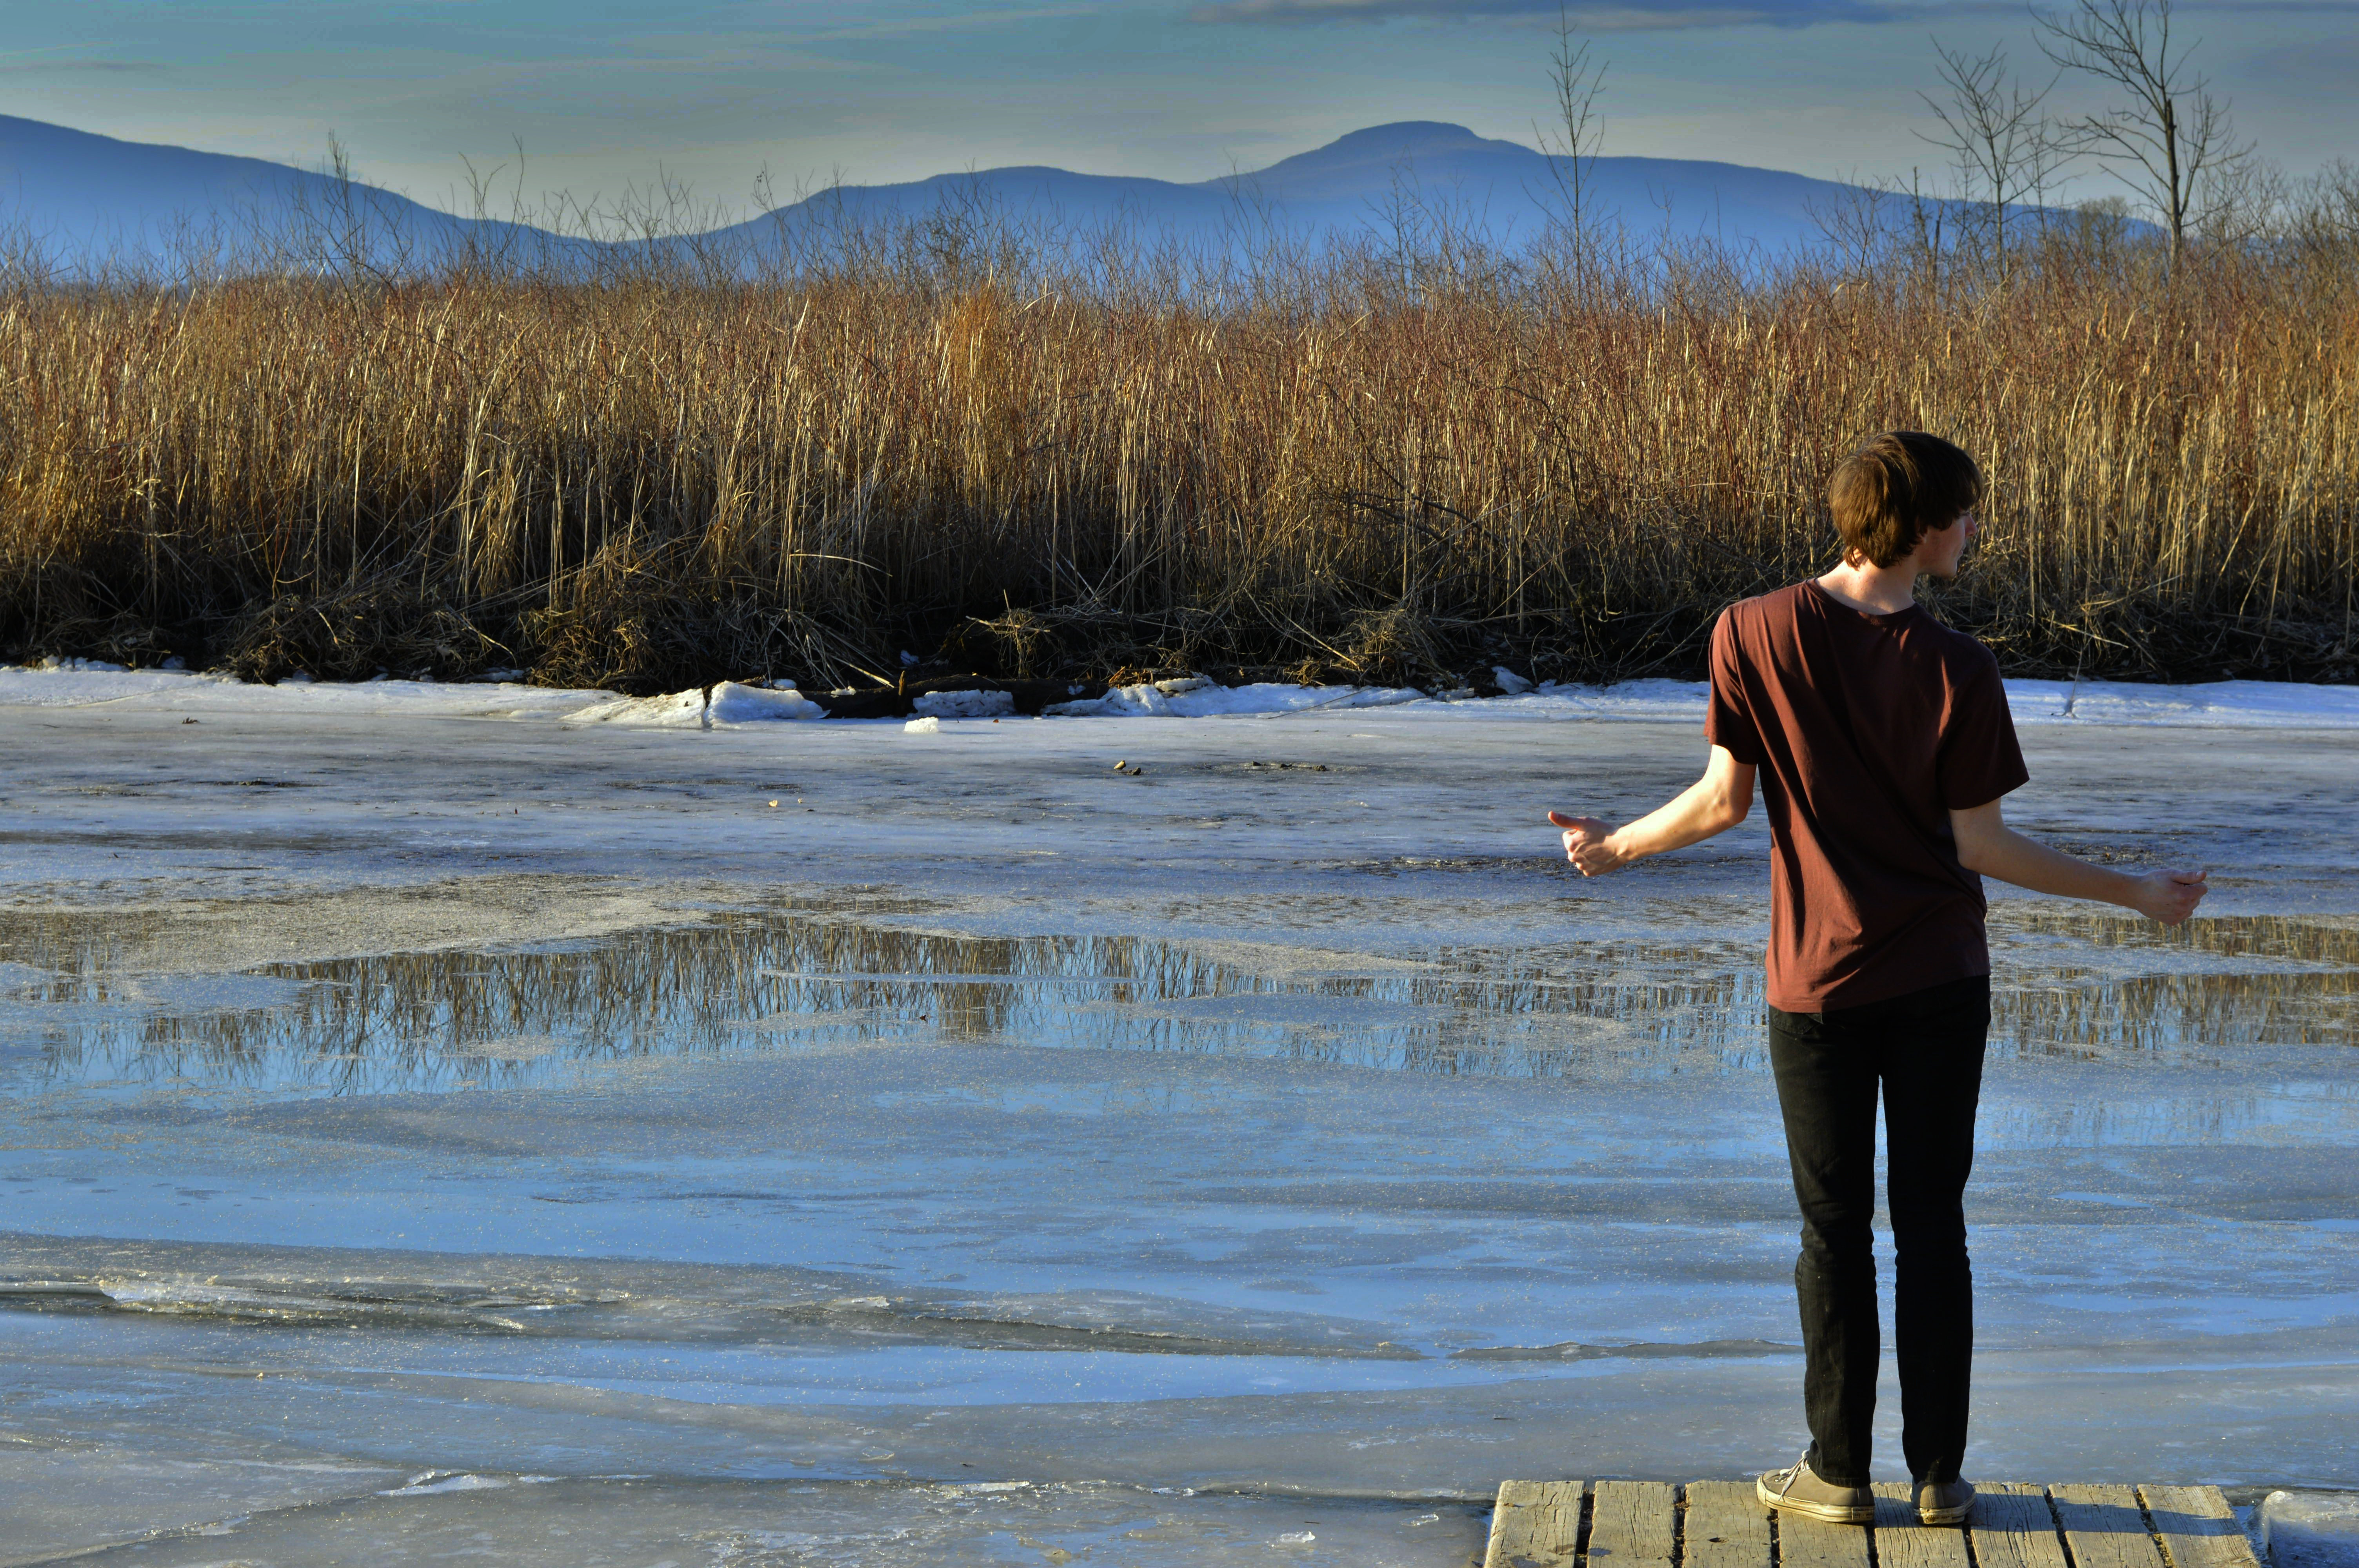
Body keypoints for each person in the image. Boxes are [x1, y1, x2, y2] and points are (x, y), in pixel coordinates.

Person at [1545, 431, 2208, 1528]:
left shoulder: (1751, 632)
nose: (1977, 532)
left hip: (1815, 986)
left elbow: (1721, 803)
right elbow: (1984, 849)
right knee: (1932, 1227)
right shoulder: (1958, 669)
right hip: (1941, 981)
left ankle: (1838, 1475)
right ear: (1922, 528)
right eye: (1968, 515)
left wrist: (1616, 847)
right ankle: (1940, 1479)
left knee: (1834, 1231)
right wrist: (2136, 892)